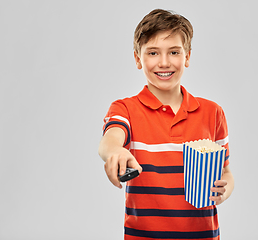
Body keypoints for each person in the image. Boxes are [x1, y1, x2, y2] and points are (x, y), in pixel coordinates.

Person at [98, 9, 234, 240]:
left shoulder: (213, 113)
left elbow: (226, 172)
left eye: (173, 52)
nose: (164, 62)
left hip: (203, 235)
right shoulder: (126, 109)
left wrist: (225, 190)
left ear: (187, 57)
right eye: (153, 52)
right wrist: (116, 152)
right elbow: (110, 141)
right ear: (138, 58)